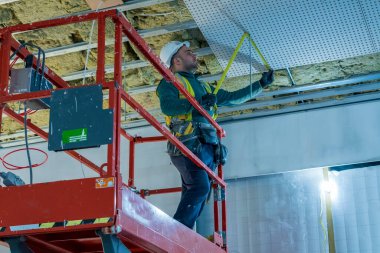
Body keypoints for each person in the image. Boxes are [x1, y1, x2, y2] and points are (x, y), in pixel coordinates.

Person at [156, 41, 274, 229]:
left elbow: (233, 98)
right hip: (188, 146)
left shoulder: (205, 87)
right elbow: (167, 107)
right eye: (189, 52)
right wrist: (198, 103)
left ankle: (181, 232)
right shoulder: (170, 82)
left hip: (205, 146)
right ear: (176, 60)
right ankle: (175, 232)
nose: (194, 55)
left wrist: (261, 84)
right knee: (199, 188)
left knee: (196, 191)